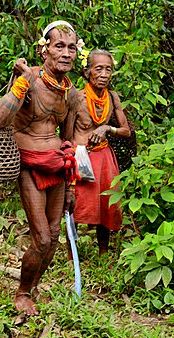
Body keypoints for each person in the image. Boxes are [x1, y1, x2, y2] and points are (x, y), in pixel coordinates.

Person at [0, 21, 80, 315]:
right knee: (41, 237)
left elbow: (67, 140)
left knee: (53, 237)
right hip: (29, 165)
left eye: (71, 47)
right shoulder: (30, 80)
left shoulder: (72, 93)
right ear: (44, 51)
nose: (66, 53)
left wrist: (71, 187)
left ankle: (33, 285)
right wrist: (21, 85)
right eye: (59, 46)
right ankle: (22, 292)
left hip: (57, 166)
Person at [71, 49, 131, 257]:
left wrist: (107, 128)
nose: (104, 74)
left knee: (107, 204)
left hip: (104, 158)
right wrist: (71, 159)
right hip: (81, 157)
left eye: (109, 69)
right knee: (77, 203)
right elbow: (66, 134)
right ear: (87, 72)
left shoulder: (113, 98)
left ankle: (103, 252)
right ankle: (72, 254)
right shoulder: (76, 98)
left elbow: (126, 131)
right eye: (99, 69)